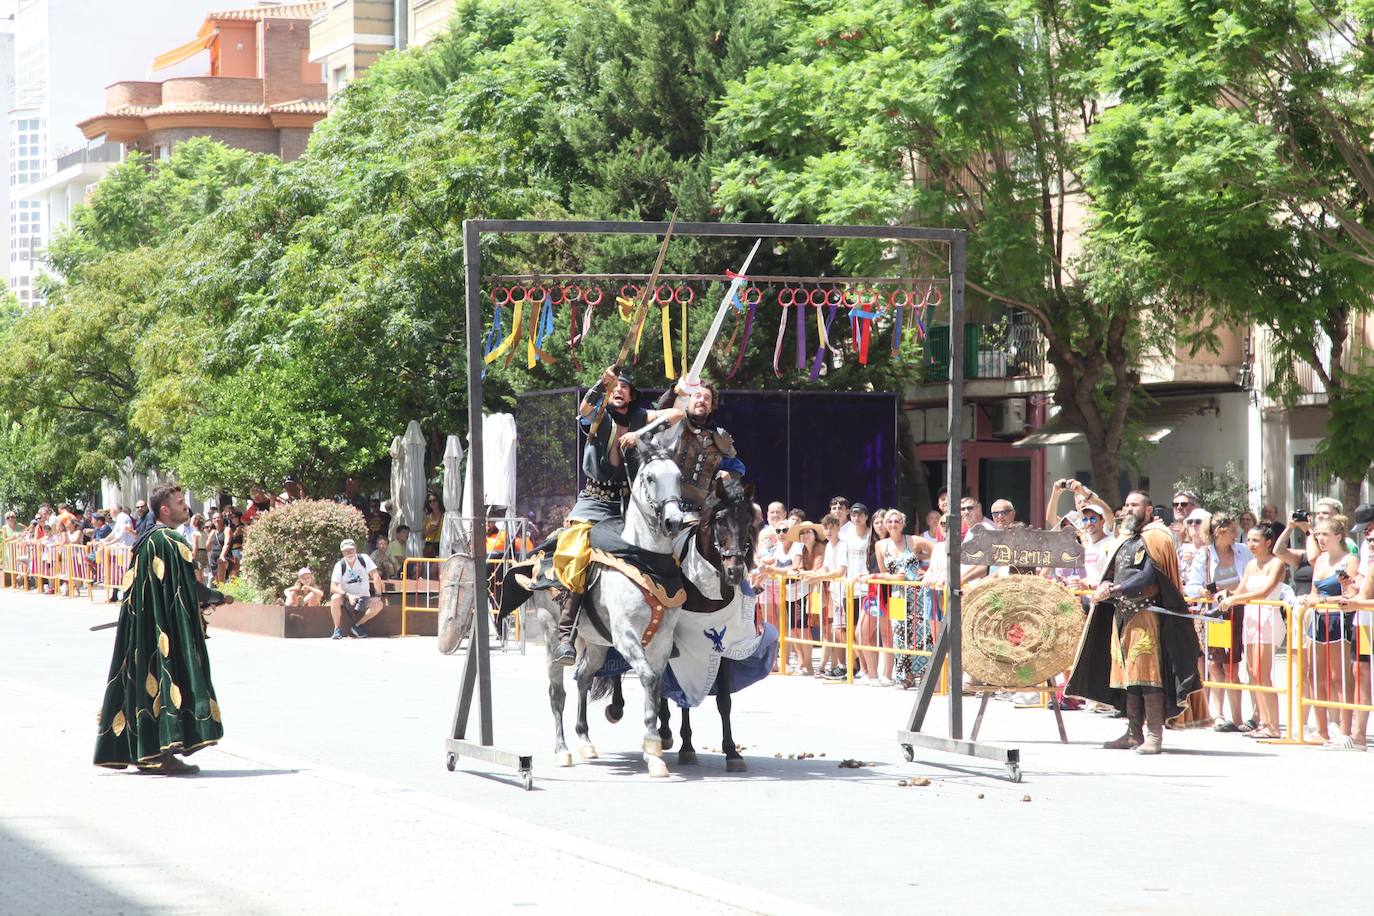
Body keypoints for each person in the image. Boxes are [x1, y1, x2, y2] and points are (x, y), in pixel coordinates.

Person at [94, 485, 231, 774]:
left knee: (146, 681)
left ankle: (147, 753)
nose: (186, 507)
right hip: (161, 631)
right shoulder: (169, 540)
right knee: (165, 681)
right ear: (165, 510)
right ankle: (161, 755)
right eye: (180, 503)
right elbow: (187, 589)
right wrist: (220, 597)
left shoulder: (146, 540)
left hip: (144, 630)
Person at [548, 365, 677, 664]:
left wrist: (639, 433)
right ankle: (566, 634)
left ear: (631, 395)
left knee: (665, 549)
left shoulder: (639, 417)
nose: (619, 390)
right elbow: (585, 406)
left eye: (624, 387)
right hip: (594, 501)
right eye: (614, 387)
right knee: (578, 552)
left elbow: (675, 415)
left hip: (629, 505)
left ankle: (668, 628)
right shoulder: (598, 416)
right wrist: (599, 384)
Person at [1066, 490, 1205, 754]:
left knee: (1148, 676)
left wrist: (1115, 589)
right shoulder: (1126, 540)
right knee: (1128, 676)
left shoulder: (1157, 537)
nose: (1129, 508)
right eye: (1127, 504)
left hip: (1147, 615)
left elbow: (1149, 577)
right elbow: (1114, 571)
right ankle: (1133, 733)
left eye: (1135, 505)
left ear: (1149, 510)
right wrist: (1105, 584)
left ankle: (1154, 735)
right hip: (1122, 615)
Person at [1218, 522, 1287, 739]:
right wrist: (1225, 594)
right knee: (1253, 673)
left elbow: (1263, 592)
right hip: (1250, 618)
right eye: (1248, 540)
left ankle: (1273, 725)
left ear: (1268, 542)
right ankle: (1263, 722)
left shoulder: (1277, 564)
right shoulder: (1250, 566)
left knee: (1263, 674)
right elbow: (1241, 590)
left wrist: (1234, 598)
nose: (1251, 545)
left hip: (1267, 616)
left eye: (1255, 540)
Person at [1184, 512, 1252, 732]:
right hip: (1216, 615)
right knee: (1215, 665)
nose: (1236, 534)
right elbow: (1191, 586)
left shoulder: (1242, 552)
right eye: (1232, 530)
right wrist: (1204, 592)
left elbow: (1252, 578)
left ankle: (1238, 717)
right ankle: (1218, 714)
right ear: (1220, 532)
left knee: (1232, 665)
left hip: (1240, 613)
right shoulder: (1204, 555)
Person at [640, 379, 745, 520]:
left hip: (699, 516)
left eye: (707, 398)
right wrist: (678, 391)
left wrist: (729, 475)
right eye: (697, 395)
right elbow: (664, 406)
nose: (702, 400)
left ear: (711, 406)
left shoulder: (718, 438)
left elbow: (738, 468)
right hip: (664, 510)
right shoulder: (673, 426)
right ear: (688, 400)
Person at [1302, 516, 1358, 747]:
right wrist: (1311, 600)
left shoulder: (1350, 560)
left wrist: (1325, 600)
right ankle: (1322, 730)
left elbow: (1353, 593)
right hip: (1319, 619)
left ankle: (1346, 731)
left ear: (1338, 536)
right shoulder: (1321, 560)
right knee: (1316, 676)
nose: (1321, 539)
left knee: (1340, 677)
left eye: (1325, 534)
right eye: (1318, 535)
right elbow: (1315, 590)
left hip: (1339, 620)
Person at [877, 509, 935, 689]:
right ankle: (905, 675)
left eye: (897, 521)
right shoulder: (881, 545)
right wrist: (893, 578)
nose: (893, 524)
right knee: (900, 634)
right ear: (885, 524)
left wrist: (928, 572)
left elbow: (938, 551)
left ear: (903, 523)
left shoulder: (913, 540)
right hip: (897, 594)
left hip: (917, 594)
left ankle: (924, 672)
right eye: (890, 521)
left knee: (922, 634)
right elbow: (883, 572)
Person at [782, 521, 827, 676]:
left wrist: (803, 573)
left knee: (805, 628)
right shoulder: (801, 549)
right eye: (803, 533)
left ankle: (809, 665)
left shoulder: (820, 548)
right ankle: (802, 663)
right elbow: (799, 568)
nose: (805, 535)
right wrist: (801, 572)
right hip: (802, 591)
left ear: (815, 534)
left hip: (817, 592)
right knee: (795, 629)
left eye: (809, 532)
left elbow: (817, 570)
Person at [329, 538, 384, 639]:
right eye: (346, 551)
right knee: (335, 598)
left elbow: (375, 575)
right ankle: (337, 629)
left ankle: (357, 625)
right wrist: (347, 595)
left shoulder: (364, 559)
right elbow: (333, 587)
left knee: (379, 604)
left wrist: (378, 595)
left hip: (363, 597)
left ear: (355, 549)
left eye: (351, 550)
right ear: (342, 552)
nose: (349, 553)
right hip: (346, 597)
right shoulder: (340, 565)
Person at [422, 491, 443, 559]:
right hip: (429, 544)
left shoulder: (445, 515)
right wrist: (429, 530)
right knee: (431, 568)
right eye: (430, 501)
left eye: (434, 500)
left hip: (442, 544)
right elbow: (422, 536)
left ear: (438, 501)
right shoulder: (428, 517)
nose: (432, 503)